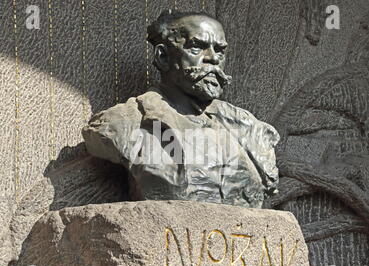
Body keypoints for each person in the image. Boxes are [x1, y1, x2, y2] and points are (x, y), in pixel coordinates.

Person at [82, 10, 280, 208]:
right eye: (197, 48)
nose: (213, 58)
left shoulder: (250, 128)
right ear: (163, 57)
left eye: (219, 51)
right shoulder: (123, 123)